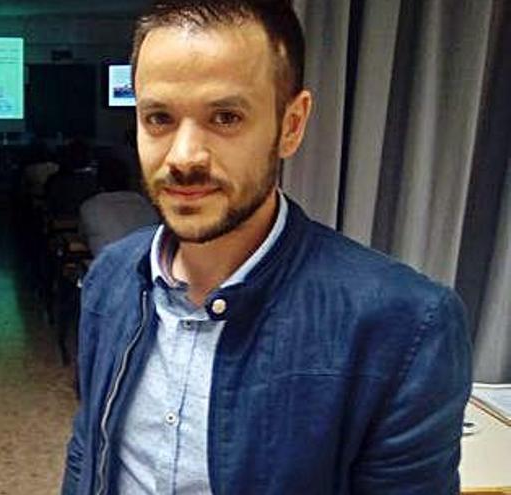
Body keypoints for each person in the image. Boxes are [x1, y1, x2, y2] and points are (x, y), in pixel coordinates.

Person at [62, 1, 472, 494]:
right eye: (159, 118)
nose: (184, 156)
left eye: (226, 117)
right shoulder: (110, 276)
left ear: (291, 125)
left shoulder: (403, 327)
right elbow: (90, 446)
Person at [79, 157, 159, 256]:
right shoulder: (144, 204)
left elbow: (82, 238)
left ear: (98, 180)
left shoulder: (91, 206)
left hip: (109, 268)